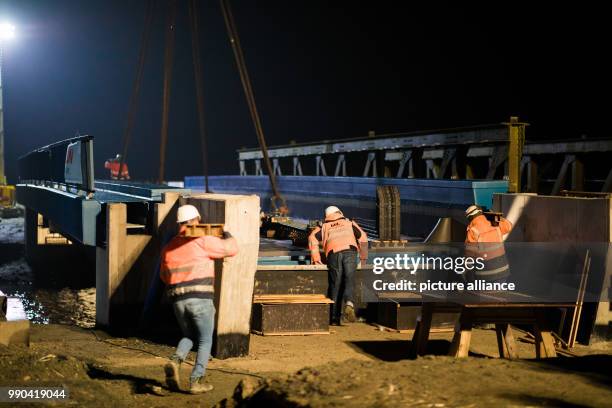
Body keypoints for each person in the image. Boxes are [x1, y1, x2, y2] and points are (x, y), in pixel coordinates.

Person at [160, 204, 238, 394]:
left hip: (178, 301)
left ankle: (175, 360)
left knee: (189, 335)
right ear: (196, 220)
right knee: (205, 340)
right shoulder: (202, 239)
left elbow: (163, 276)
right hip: (200, 299)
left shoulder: (169, 246)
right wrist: (226, 233)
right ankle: (196, 380)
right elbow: (231, 249)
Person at [308, 206, 368, 325]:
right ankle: (349, 303)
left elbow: (312, 238)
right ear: (339, 212)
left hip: (333, 253)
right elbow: (363, 238)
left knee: (335, 284)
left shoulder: (323, 225)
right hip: (350, 251)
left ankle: (334, 318)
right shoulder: (349, 222)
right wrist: (363, 258)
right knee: (349, 279)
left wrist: (316, 259)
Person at [464, 205, 512, 283]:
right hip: (502, 271)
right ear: (481, 212)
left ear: (469, 217)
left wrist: (466, 271)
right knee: (499, 293)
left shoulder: (473, 230)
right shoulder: (494, 221)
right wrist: (494, 215)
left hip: (486, 275)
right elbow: (508, 226)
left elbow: (470, 254)